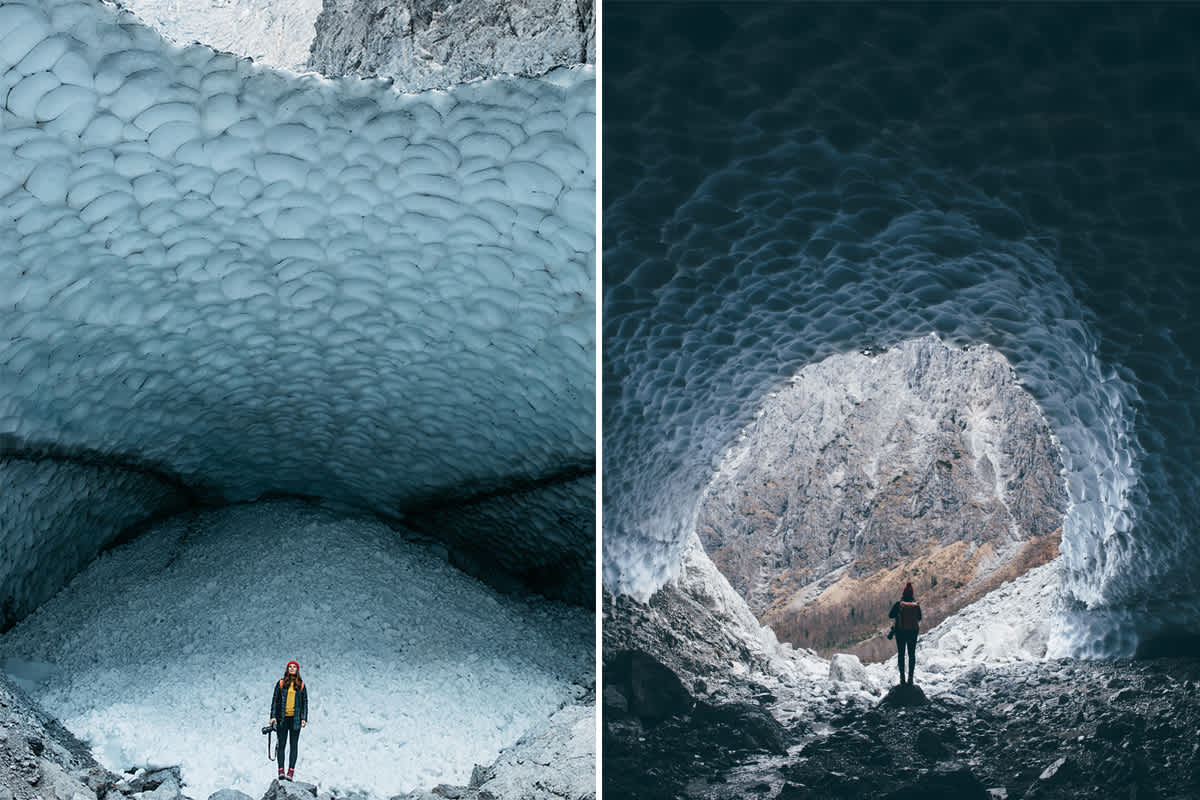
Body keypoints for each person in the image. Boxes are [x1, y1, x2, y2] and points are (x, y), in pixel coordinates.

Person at [268, 660, 308, 781]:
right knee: (281, 745)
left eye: (294, 667)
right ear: (287, 669)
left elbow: (305, 703)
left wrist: (304, 718)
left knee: (293, 745)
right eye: (289, 667)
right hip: (282, 719)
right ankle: (281, 770)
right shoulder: (280, 683)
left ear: (297, 670)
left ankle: (291, 771)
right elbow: (275, 700)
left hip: (295, 719)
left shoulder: (301, 685)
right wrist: (273, 717)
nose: (291, 668)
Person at [888, 582, 922, 685]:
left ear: (903, 593)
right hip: (912, 632)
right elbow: (919, 618)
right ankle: (910, 678)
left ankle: (902, 678)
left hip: (900, 632)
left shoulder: (899, 604)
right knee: (911, 655)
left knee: (901, 655)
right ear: (912, 594)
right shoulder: (916, 605)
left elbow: (890, 615)